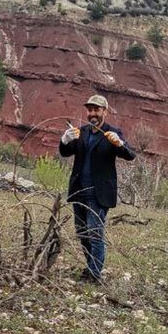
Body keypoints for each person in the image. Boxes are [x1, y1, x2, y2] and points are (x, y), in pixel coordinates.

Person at [58, 94, 136, 284]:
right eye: (90, 110)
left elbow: (130, 155)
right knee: (82, 233)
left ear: (105, 112)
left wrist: (120, 144)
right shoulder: (82, 132)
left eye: (96, 110)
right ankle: (91, 266)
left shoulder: (113, 133)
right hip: (79, 191)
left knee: (95, 233)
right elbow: (65, 152)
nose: (92, 114)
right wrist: (64, 140)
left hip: (98, 193)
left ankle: (94, 274)